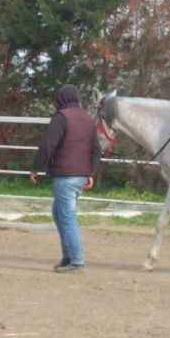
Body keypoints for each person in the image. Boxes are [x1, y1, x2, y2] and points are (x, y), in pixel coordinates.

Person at [30, 84, 101, 273]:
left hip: (65, 176)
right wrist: (91, 174)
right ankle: (68, 256)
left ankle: (76, 261)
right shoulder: (88, 119)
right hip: (80, 176)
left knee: (67, 217)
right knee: (58, 213)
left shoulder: (61, 117)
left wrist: (36, 168)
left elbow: (48, 145)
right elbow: (96, 150)